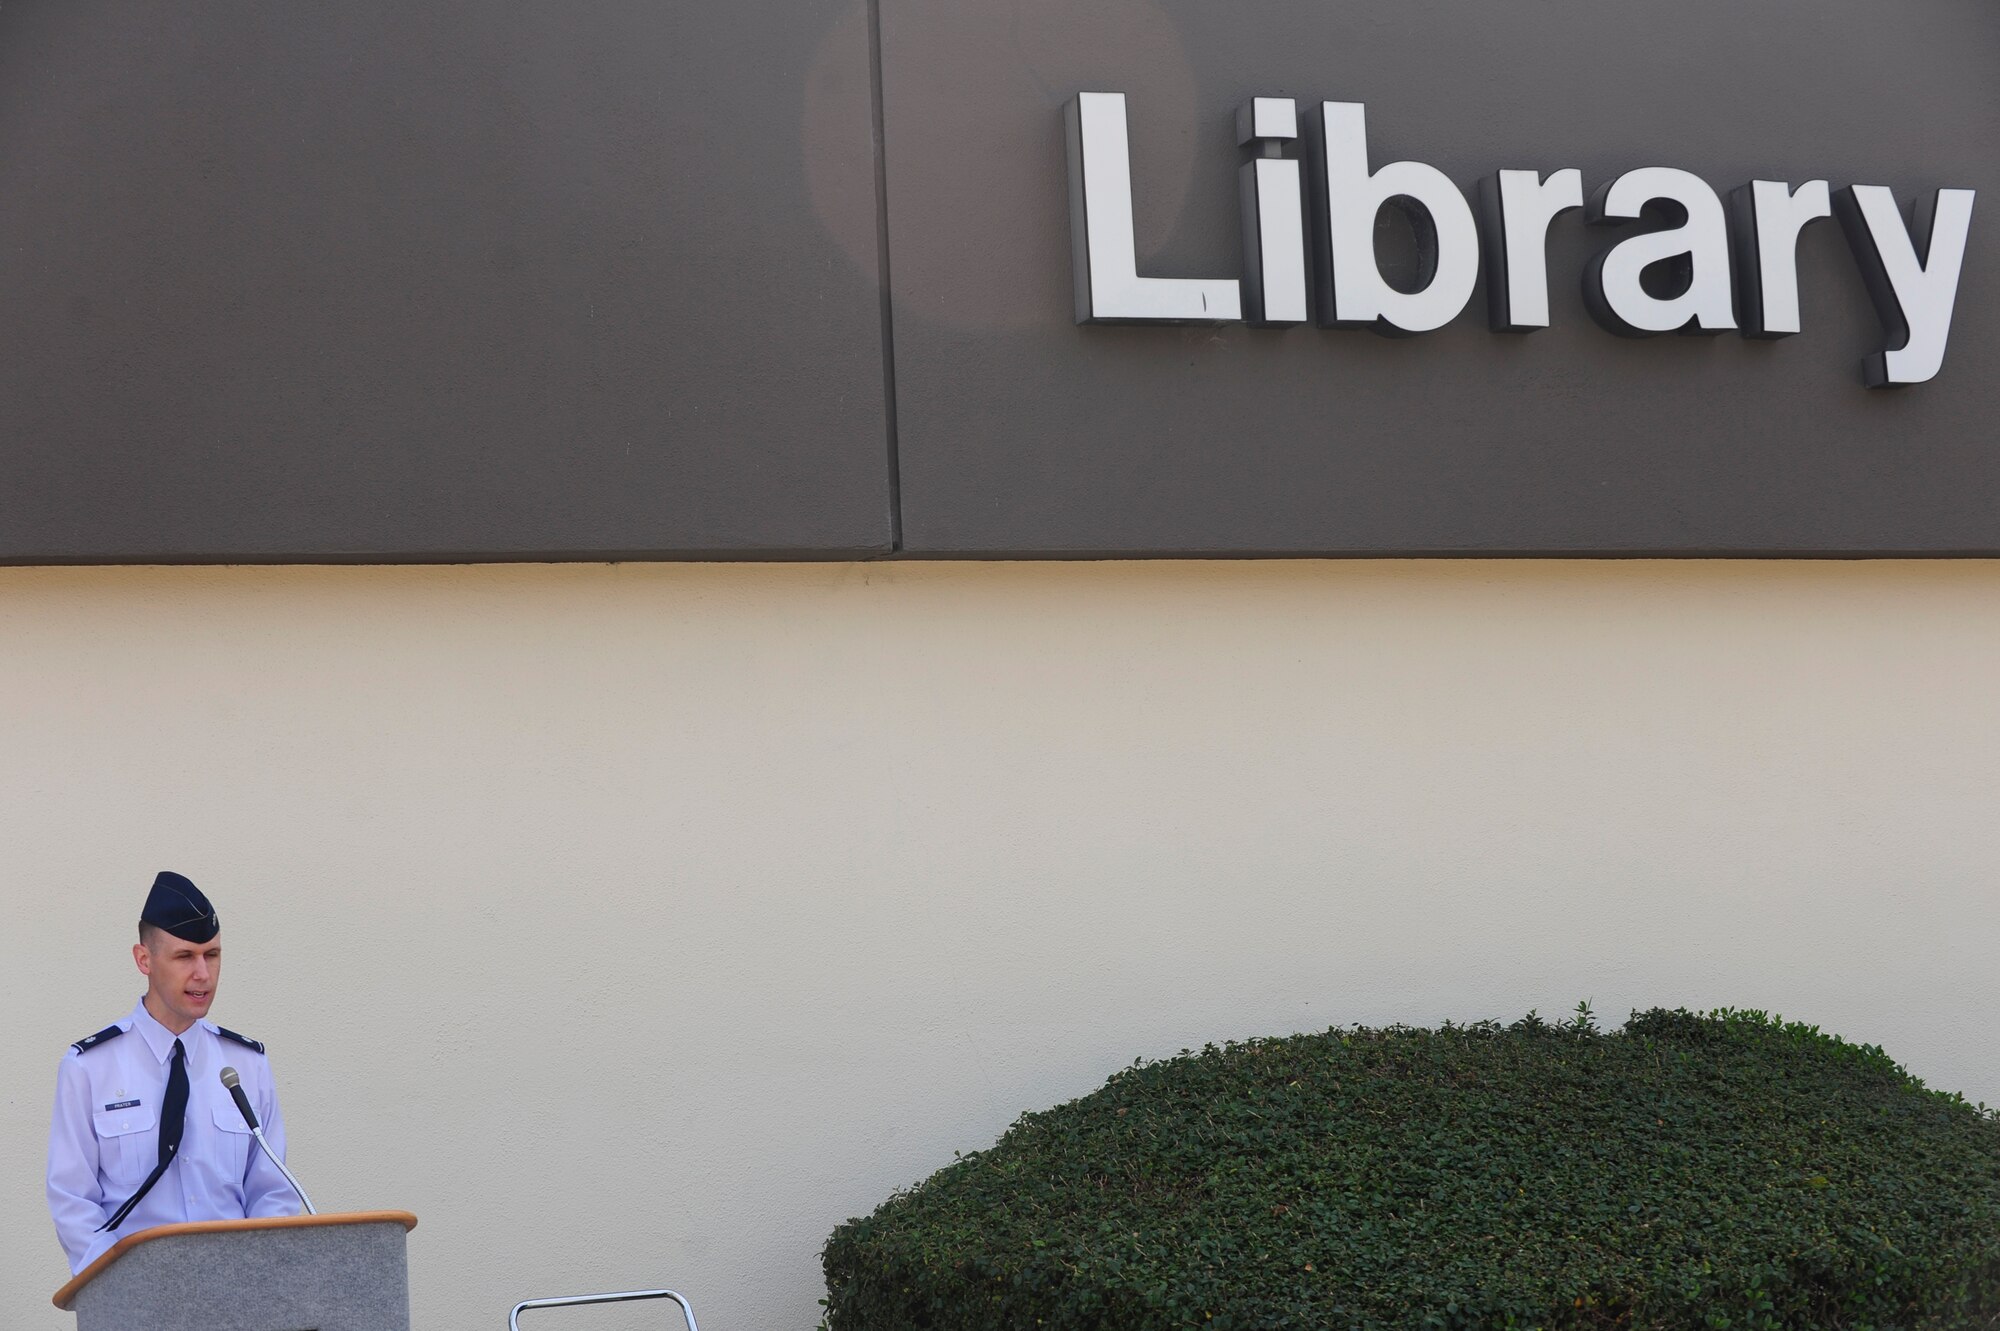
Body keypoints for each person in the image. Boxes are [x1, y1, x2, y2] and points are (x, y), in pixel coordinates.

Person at [47, 871, 297, 1274]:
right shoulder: (90, 1068)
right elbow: (72, 1199)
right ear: (143, 959)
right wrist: (121, 1284)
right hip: (135, 1296)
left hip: (236, 1289)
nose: (203, 974)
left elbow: (272, 1192)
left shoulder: (246, 1066)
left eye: (212, 955)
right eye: (185, 957)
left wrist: (256, 1273)